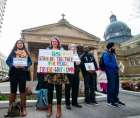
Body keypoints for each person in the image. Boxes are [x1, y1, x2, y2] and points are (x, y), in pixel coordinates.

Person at [6, 39, 32, 116]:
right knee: (13, 91)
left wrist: (25, 66)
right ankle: (11, 109)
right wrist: (13, 65)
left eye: (21, 43)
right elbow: (7, 61)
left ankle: (23, 109)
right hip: (14, 73)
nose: (20, 44)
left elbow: (30, 62)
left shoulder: (26, 53)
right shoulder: (13, 53)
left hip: (23, 74)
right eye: (18, 43)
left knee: (22, 91)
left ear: (23, 45)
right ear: (16, 45)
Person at [46, 36, 66, 118]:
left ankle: (59, 110)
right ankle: (49, 109)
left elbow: (65, 61)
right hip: (50, 73)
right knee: (49, 92)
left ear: (58, 43)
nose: (54, 42)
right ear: (51, 43)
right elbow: (44, 60)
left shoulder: (62, 51)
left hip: (59, 74)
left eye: (56, 41)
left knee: (58, 92)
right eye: (53, 41)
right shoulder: (47, 50)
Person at [103, 42, 125, 107]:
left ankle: (115, 99)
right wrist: (116, 66)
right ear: (110, 47)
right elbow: (106, 63)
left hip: (115, 72)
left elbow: (114, 62)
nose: (114, 48)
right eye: (113, 46)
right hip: (110, 72)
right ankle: (110, 101)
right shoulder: (106, 54)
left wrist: (118, 66)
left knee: (116, 86)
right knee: (111, 86)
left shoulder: (113, 54)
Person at [65, 44, 82, 110]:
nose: (74, 48)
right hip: (69, 74)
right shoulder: (66, 54)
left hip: (76, 74)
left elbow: (78, 63)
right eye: (72, 47)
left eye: (75, 47)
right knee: (68, 89)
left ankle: (74, 102)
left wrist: (77, 61)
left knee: (75, 89)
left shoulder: (76, 55)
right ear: (69, 48)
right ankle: (67, 103)